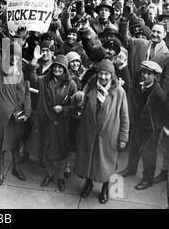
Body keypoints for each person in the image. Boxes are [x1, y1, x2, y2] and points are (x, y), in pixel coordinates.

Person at [75, 59, 129, 204]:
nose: (103, 77)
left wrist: (123, 137)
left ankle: (105, 187)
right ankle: (89, 182)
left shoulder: (119, 92)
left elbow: (124, 116)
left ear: (112, 76)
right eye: (101, 74)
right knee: (90, 160)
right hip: (90, 132)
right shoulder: (91, 88)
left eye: (107, 74)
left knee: (107, 164)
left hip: (109, 136)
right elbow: (81, 104)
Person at [0, 42, 31, 185]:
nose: (14, 58)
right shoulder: (0, 69)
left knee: (15, 144)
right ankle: (1, 171)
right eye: (11, 55)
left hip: (17, 114)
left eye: (17, 55)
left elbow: (26, 92)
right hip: (2, 114)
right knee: (0, 145)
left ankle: (16, 168)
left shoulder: (22, 71)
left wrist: (27, 112)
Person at [28, 51, 77, 191]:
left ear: (65, 70)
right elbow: (33, 78)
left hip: (62, 124)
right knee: (48, 150)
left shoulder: (71, 84)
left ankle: (61, 178)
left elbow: (76, 105)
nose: (57, 69)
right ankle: (49, 174)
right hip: (47, 121)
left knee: (61, 153)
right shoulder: (45, 80)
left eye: (60, 67)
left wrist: (63, 109)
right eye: (55, 66)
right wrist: (34, 60)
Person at [119, 61, 169, 190]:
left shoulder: (159, 94)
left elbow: (164, 114)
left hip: (151, 128)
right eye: (144, 73)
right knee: (134, 147)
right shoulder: (140, 86)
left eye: (149, 74)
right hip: (139, 123)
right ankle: (131, 169)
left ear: (155, 76)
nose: (145, 76)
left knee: (148, 154)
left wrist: (158, 127)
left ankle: (148, 179)